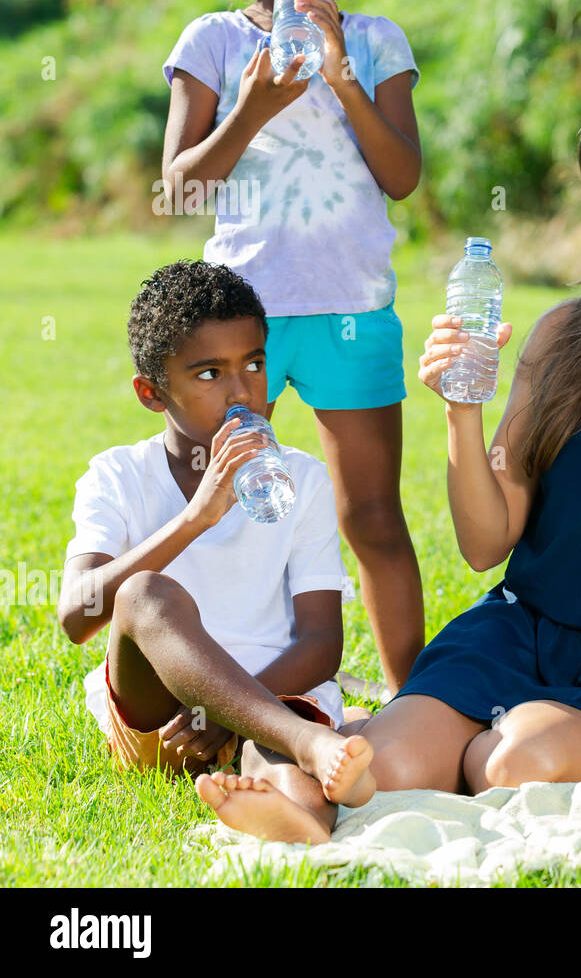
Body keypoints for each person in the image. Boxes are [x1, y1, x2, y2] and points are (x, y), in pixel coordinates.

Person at [197, 81, 581, 845]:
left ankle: (356, 731)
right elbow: (485, 542)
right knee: (381, 771)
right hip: (523, 634)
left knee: (513, 759)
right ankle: (307, 787)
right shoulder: (562, 335)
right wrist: (462, 406)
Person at [160, 0, 424, 695]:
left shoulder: (381, 40)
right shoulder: (214, 44)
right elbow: (181, 184)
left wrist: (344, 76)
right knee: (229, 510)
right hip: (241, 325)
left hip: (353, 313)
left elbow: (401, 175)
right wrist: (255, 105)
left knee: (374, 517)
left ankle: (409, 698)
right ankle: (226, 685)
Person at [58, 261, 375, 829]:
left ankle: (297, 810)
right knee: (146, 593)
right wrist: (194, 519)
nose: (242, 392)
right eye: (209, 374)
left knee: (299, 797)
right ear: (151, 393)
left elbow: (323, 641)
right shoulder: (116, 475)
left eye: (254, 365)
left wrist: (229, 710)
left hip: (272, 699)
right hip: (160, 719)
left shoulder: (301, 480)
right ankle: (304, 741)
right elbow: (76, 616)